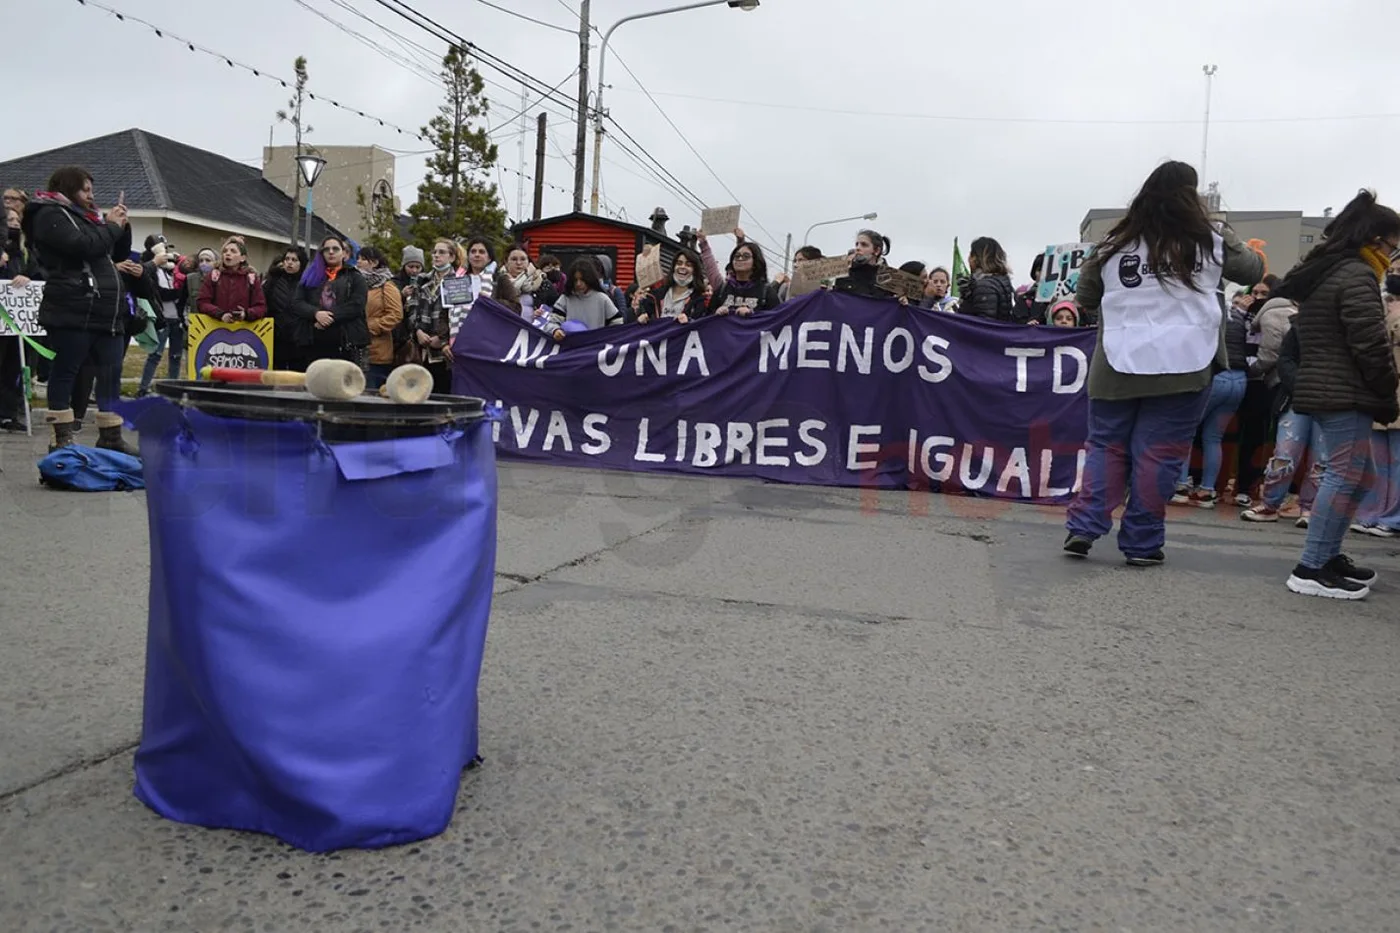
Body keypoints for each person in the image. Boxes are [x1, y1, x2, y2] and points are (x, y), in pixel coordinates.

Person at [1062, 160, 1264, 565]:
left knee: (1106, 445)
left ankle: (1084, 527)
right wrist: (1220, 228)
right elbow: (1253, 269)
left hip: (1117, 360)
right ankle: (1141, 543)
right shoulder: (1210, 239)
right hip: (1186, 363)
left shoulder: (1112, 244)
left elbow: (1085, 297)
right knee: (1160, 453)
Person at [1272, 189, 1400, 599]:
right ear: (1375, 239)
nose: (1394, 252)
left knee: (1359, 475)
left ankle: (1326, 555)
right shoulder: (1357, 274)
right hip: (1344, 389)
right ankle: (1312, 565)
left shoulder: (1329, 270)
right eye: (1393, 243)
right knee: (1346, 475)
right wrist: (1387, 388)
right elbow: (1369, 342)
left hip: (1329, 386)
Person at [21, 166, 134, 452]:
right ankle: (61, 438)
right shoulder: (50, 214)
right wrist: (109, 227)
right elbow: (83, 247)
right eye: (85, 190)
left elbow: (115, 252)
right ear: (68, 188)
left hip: (105, 312)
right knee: (66, 370)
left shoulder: (89, 218)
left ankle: (111, 436)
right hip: (74, 307)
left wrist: (122, 227)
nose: (90, 196)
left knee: (111, 372)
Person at [1172, 290, 1251, 507]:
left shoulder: (1209, 316)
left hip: (1216, 378)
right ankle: (1208, 490)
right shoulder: (1239, 319)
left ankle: (1180, 485)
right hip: (1240, 380)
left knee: (1187, 432)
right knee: (1214, 437)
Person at [1351, 284, 1400, 537]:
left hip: (1393, 394)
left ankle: (1393, 518)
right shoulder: (1382, 307)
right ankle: (1369, 513)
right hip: (1380, 394)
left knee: (1397, 461)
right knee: (1377, 461)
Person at [293, 235, 369, 368]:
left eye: (335, 249)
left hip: (345, 341)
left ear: (344, 253)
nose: (331, 252)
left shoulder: (355, 277)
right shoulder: (309, 277)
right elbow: (297, 302)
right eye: (327, 249)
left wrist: (328, 317)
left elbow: (357, 304)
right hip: (313, 341)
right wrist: (316, 314)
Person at [408, 238, 465, 394]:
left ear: (452, 257)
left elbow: (459, 314)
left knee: (444, 394)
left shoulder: (459, 282)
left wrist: (442, 338)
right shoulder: (422, 279)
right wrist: (417, 331)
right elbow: (412, 309)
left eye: (442, 252)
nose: (436, 255)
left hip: (445, 350)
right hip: (422, 349)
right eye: (434, 252)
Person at [1, 201, 37, 431]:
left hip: (16, 317)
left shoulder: (25, 252)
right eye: (9, 221)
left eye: (17, 221)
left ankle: (7, 413)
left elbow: (39, 270)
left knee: (14, 365)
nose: (14, 225)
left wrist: (28, 279)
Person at [135, 239, 187, 395]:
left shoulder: (172, 271)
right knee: (155, 355)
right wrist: (179, 293)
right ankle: (143, 387)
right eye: (163, 250)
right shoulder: (152, 271)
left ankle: (173, 388)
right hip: (163, 318)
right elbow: (160, 293)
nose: (167, 254)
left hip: (177, 318)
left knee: (176, 356)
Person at [354, 245, 405, 389]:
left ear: (374, 263)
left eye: (363, 259)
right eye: (357, 258)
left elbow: (395, 314)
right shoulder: (355, 283)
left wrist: (370, 327)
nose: (358, 262)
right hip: (352, 349)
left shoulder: (386, 285)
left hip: (376, 351)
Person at [698, 230, 778, 317]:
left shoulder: (766, 292)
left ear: (755, 262)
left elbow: (775, 320)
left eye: (746, 257)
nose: (740, 259)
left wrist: (752, 315)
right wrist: (716, 313)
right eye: (736, 256)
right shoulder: (722, 290)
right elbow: (707, 319)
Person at [545, 257, 624, 339]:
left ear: (589, 279)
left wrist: (605, 337)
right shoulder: (565, 299)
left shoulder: (602, 299)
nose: (578, 284)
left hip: (595, 348)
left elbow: (617, 322)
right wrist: (555, 330)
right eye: (575, 280)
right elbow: (552, 322)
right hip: (570, 348)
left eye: (582, 280)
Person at [197, 237, 266, 322]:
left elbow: (261, 307)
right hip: (216, 330)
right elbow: (202, 303)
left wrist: (246, 314)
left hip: (243, 331)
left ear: (242, 258)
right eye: (225, 251)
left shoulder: (251, 278)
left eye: (233, 251)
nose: (228, 253)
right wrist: (220, 314)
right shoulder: (214, 276)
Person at [263, 246, 308, 371]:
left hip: (299, 340)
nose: (290, 262)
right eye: (287, 259)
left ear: (301, 264)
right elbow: (263, 302)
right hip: (277, 337)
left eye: (294, 260)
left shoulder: (307, 283)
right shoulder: (274, 280)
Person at [636, 248, 707, 324]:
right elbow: (644, 316)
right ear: (673, 267)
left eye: (688, 265)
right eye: (679, 263)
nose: (682, 267)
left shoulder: (699, 299)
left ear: (695, 270)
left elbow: (701, 325)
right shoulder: (656, 295)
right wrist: (642, 317)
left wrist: (689, 321)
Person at [958, 237, 1020, 322]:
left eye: (971, 254)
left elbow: (984, 323)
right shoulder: (1001, 281)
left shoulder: (984, 286)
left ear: (976, 258)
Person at [834, 230, 901, 300]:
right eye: (857, 244)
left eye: (864, 245)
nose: (858, 248)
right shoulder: (845, 273)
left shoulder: (890, 279)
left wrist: (902, 301)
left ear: (877, 251)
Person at [502, 243, 557, 321]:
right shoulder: (499, 281)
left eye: (523, 259)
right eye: (514, 259)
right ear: (506, 262)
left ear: (529, 261)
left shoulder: (542, 282)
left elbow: (556, 309)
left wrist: (542, 314)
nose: (519, 263)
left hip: (534, 329)